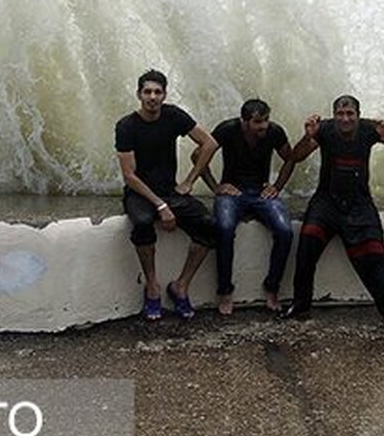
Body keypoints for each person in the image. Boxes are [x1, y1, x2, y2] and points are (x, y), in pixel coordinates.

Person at [282, 94, 384, 334]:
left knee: (376, 255)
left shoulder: (369, 129)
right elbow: (296, 156)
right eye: (340, 114)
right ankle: (301, 304)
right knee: (307, 244)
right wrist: (307, 136)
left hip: (359, 204)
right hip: (326, 202)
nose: (345, 119)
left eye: (350, 114)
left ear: (358, 116)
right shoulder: (324, 129)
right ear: (334, 115)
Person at [114, 69, 218, 321]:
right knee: (141, 224)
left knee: (209, 226)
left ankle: (180, 286)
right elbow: (129, 175)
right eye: (147, 92)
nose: (152, 97)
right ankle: (152, 287)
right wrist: (160, 205)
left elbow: (209, 143)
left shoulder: (173, 116)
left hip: (170, 192)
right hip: (140, 194)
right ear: (139, 94)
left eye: (157, 92)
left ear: (164, 95)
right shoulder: (126, 126)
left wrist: (190, 180)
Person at [197, 98, 296, 315]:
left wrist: (277, 186)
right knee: (223, 229)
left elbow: (290, 158)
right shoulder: (227, 130)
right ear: (244, 122)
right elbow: (198, 155)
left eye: (266, 120)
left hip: (261, 192)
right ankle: (224, 291)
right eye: (258, 122)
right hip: (232, 193)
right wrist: (216, 187)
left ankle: (272, 289)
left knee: (285, 231)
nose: (264, 126)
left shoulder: (274, 132)